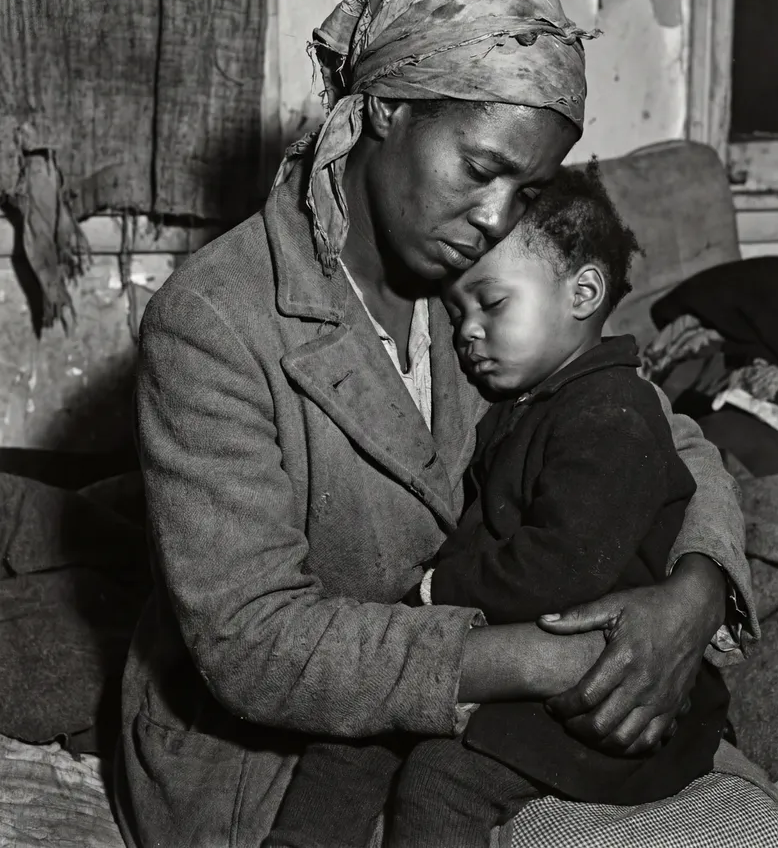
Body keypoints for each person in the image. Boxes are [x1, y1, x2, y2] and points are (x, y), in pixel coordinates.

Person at [115, 0, 778, 848]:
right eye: (481, 169)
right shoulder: (213, 319)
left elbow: (656, 427)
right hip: (297, 762)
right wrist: (549, 659)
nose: (497, 217)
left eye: (527, 191)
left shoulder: (480, 283)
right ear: (388, 110)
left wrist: (695, 594)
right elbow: (255, 645)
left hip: (493, 720)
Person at [266, 161, 730, 848]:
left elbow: (562, 567)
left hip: (603, 687)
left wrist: (433, 591)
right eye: (458, 314)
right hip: (520, 652)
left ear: (583, 293)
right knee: (356, 733)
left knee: (443, 777)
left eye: (492, 303)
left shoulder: (613, 411)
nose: (467, 332)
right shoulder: (531, 398)